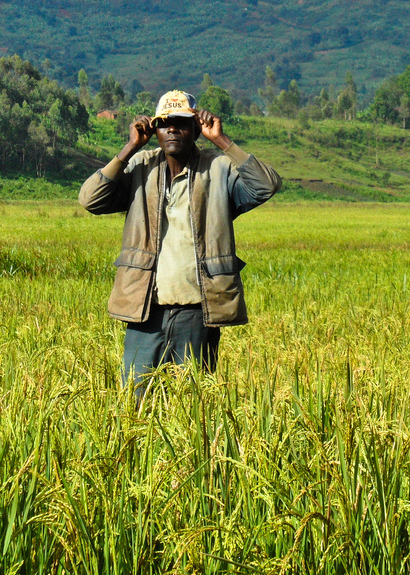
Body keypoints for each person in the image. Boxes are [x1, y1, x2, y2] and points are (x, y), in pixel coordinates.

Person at [79, 90, 281, 396]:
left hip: (198, 312)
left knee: (191, 407)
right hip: (146, 310)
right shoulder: (139, 168)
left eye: (182, 123)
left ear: (197, 129)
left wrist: (223, 141)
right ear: (154, 131)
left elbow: (266, 185)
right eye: (165, 123)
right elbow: (90, 199)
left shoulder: (219, 169)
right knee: (135, 404)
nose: (173, 129)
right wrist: (130, 147)